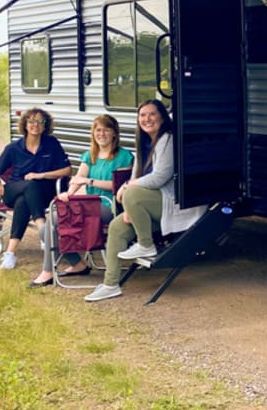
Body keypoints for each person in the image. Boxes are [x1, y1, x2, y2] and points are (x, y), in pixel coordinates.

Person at [84, 99, 206, 302]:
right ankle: (111, 284)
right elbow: (136, 176)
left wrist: (128, 190)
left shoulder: (167, 139)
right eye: (142, 115)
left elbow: (160, 177)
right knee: (116, 227)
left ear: (162, 117)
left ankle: (146, 244)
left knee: (131, 192)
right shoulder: (144, 143)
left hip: (176, 205)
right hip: (153, 205)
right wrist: (132, 207)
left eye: (152, 114)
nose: (147, 119)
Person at [29, 115, 133, 288]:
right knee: (47, 229)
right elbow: (79, 178)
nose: (102, 134)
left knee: (55, 221)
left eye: (106, 130)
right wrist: (68, 193)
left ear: (114, 133)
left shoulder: (124, 156)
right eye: (98, 130)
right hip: (88, 204)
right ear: (93, 133)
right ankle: (78, 264)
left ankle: (47, 272)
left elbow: (119, 186)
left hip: (110, 206)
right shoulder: (89, 155)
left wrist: (89, 182)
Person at [0, 107, 72, 270]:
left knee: (24, 201)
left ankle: (10, 253)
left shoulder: (51, 144)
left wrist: (41, 175)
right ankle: (42, 228)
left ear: (45, 125)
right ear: (25, 124)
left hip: (44, 192)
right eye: (31, 121)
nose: (36, 124)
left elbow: (68, 170)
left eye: (40, 121)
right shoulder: (13, 148)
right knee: (28, 188)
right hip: (13, 189)